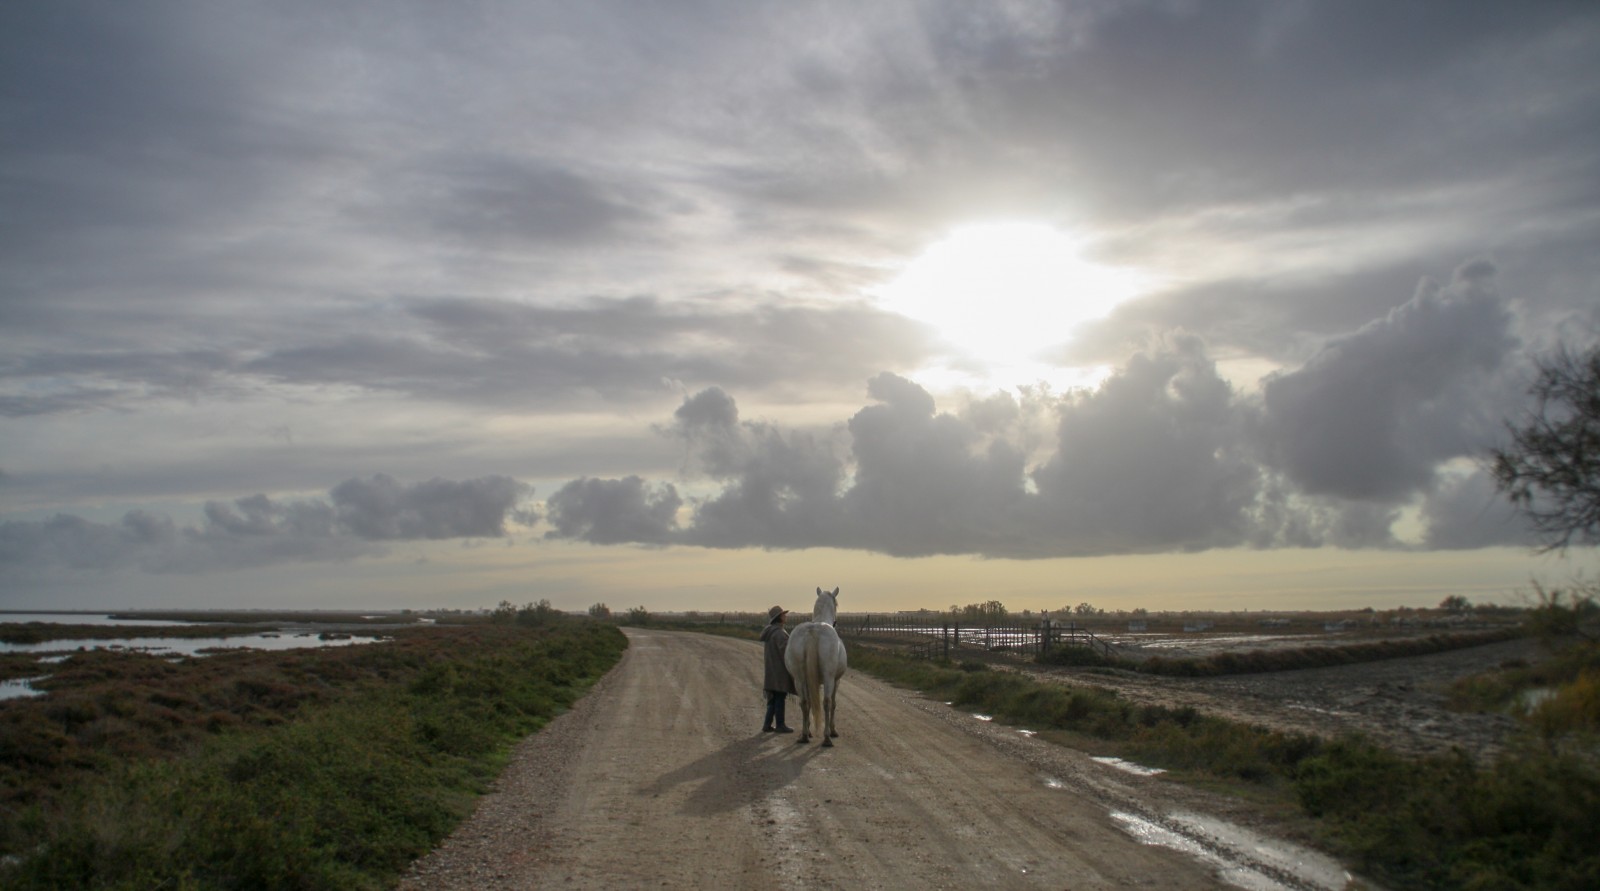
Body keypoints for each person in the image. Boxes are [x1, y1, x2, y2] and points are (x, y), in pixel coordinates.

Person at [759, 605, 796, 733]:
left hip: (771, 671)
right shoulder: (779, 633)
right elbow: (787, 652)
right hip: (779, 671)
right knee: (780, 697)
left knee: (773, 700)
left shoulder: (771, 632)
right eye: (783, 614)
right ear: (779, 618)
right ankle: (780, 725)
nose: (785, 616)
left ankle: (767, 725)